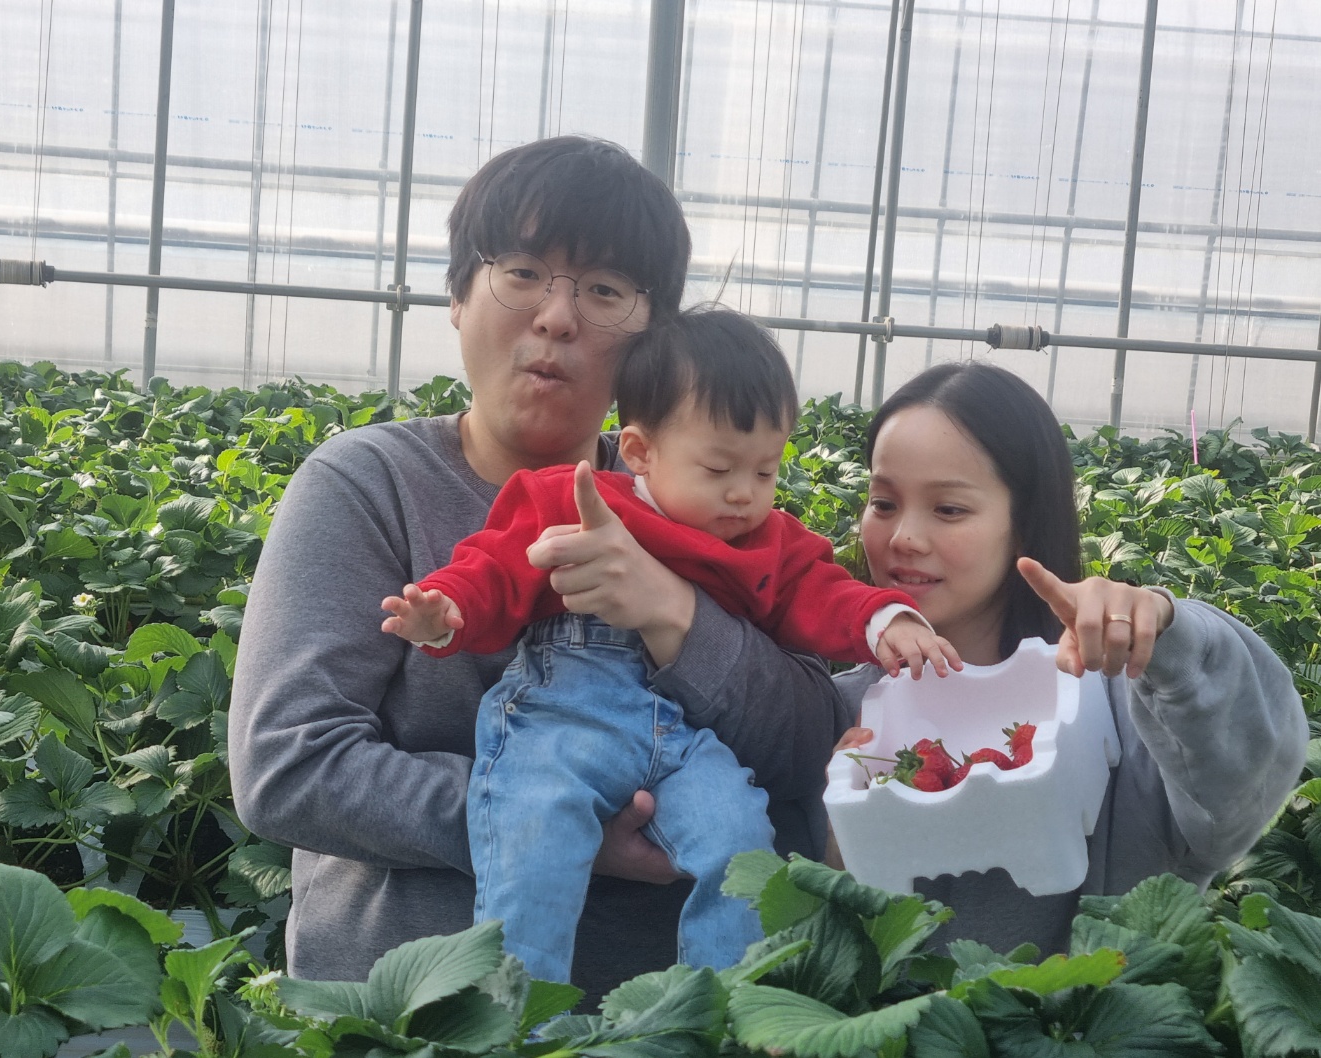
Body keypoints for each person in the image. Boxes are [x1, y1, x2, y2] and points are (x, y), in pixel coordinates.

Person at [226, 136, 848, 997]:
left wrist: (675, 613)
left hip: (661, 1018)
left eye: (605, 290)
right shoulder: (368, 485)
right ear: (457, 295)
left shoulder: (714, 500)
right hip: (408, 1011)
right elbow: (288, 765)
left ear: (656, 337)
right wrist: (550, 821)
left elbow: (811, 747)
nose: (557, 317)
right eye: (521, 272)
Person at [381, 307, 959, 983]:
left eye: (765, 471)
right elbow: (494, 568)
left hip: (682, 739)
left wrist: (886, 619)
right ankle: (513, 1016)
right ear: (639, 452)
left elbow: (823, 592)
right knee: (532, 838)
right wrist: (443, 611)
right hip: (560, 722)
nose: (743, 495)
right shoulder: (570, 501)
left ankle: (721, 1007)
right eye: (718, 468)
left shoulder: (770, 544)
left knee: (739, 841)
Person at [824, 360, 1307, 954]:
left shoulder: (1115, 712)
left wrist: (1166, 628)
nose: (902, 537)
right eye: (883, 502)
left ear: (1024, 524)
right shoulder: (843, 718)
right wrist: (839, 840)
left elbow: (1249, 770)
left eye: (949, 509)